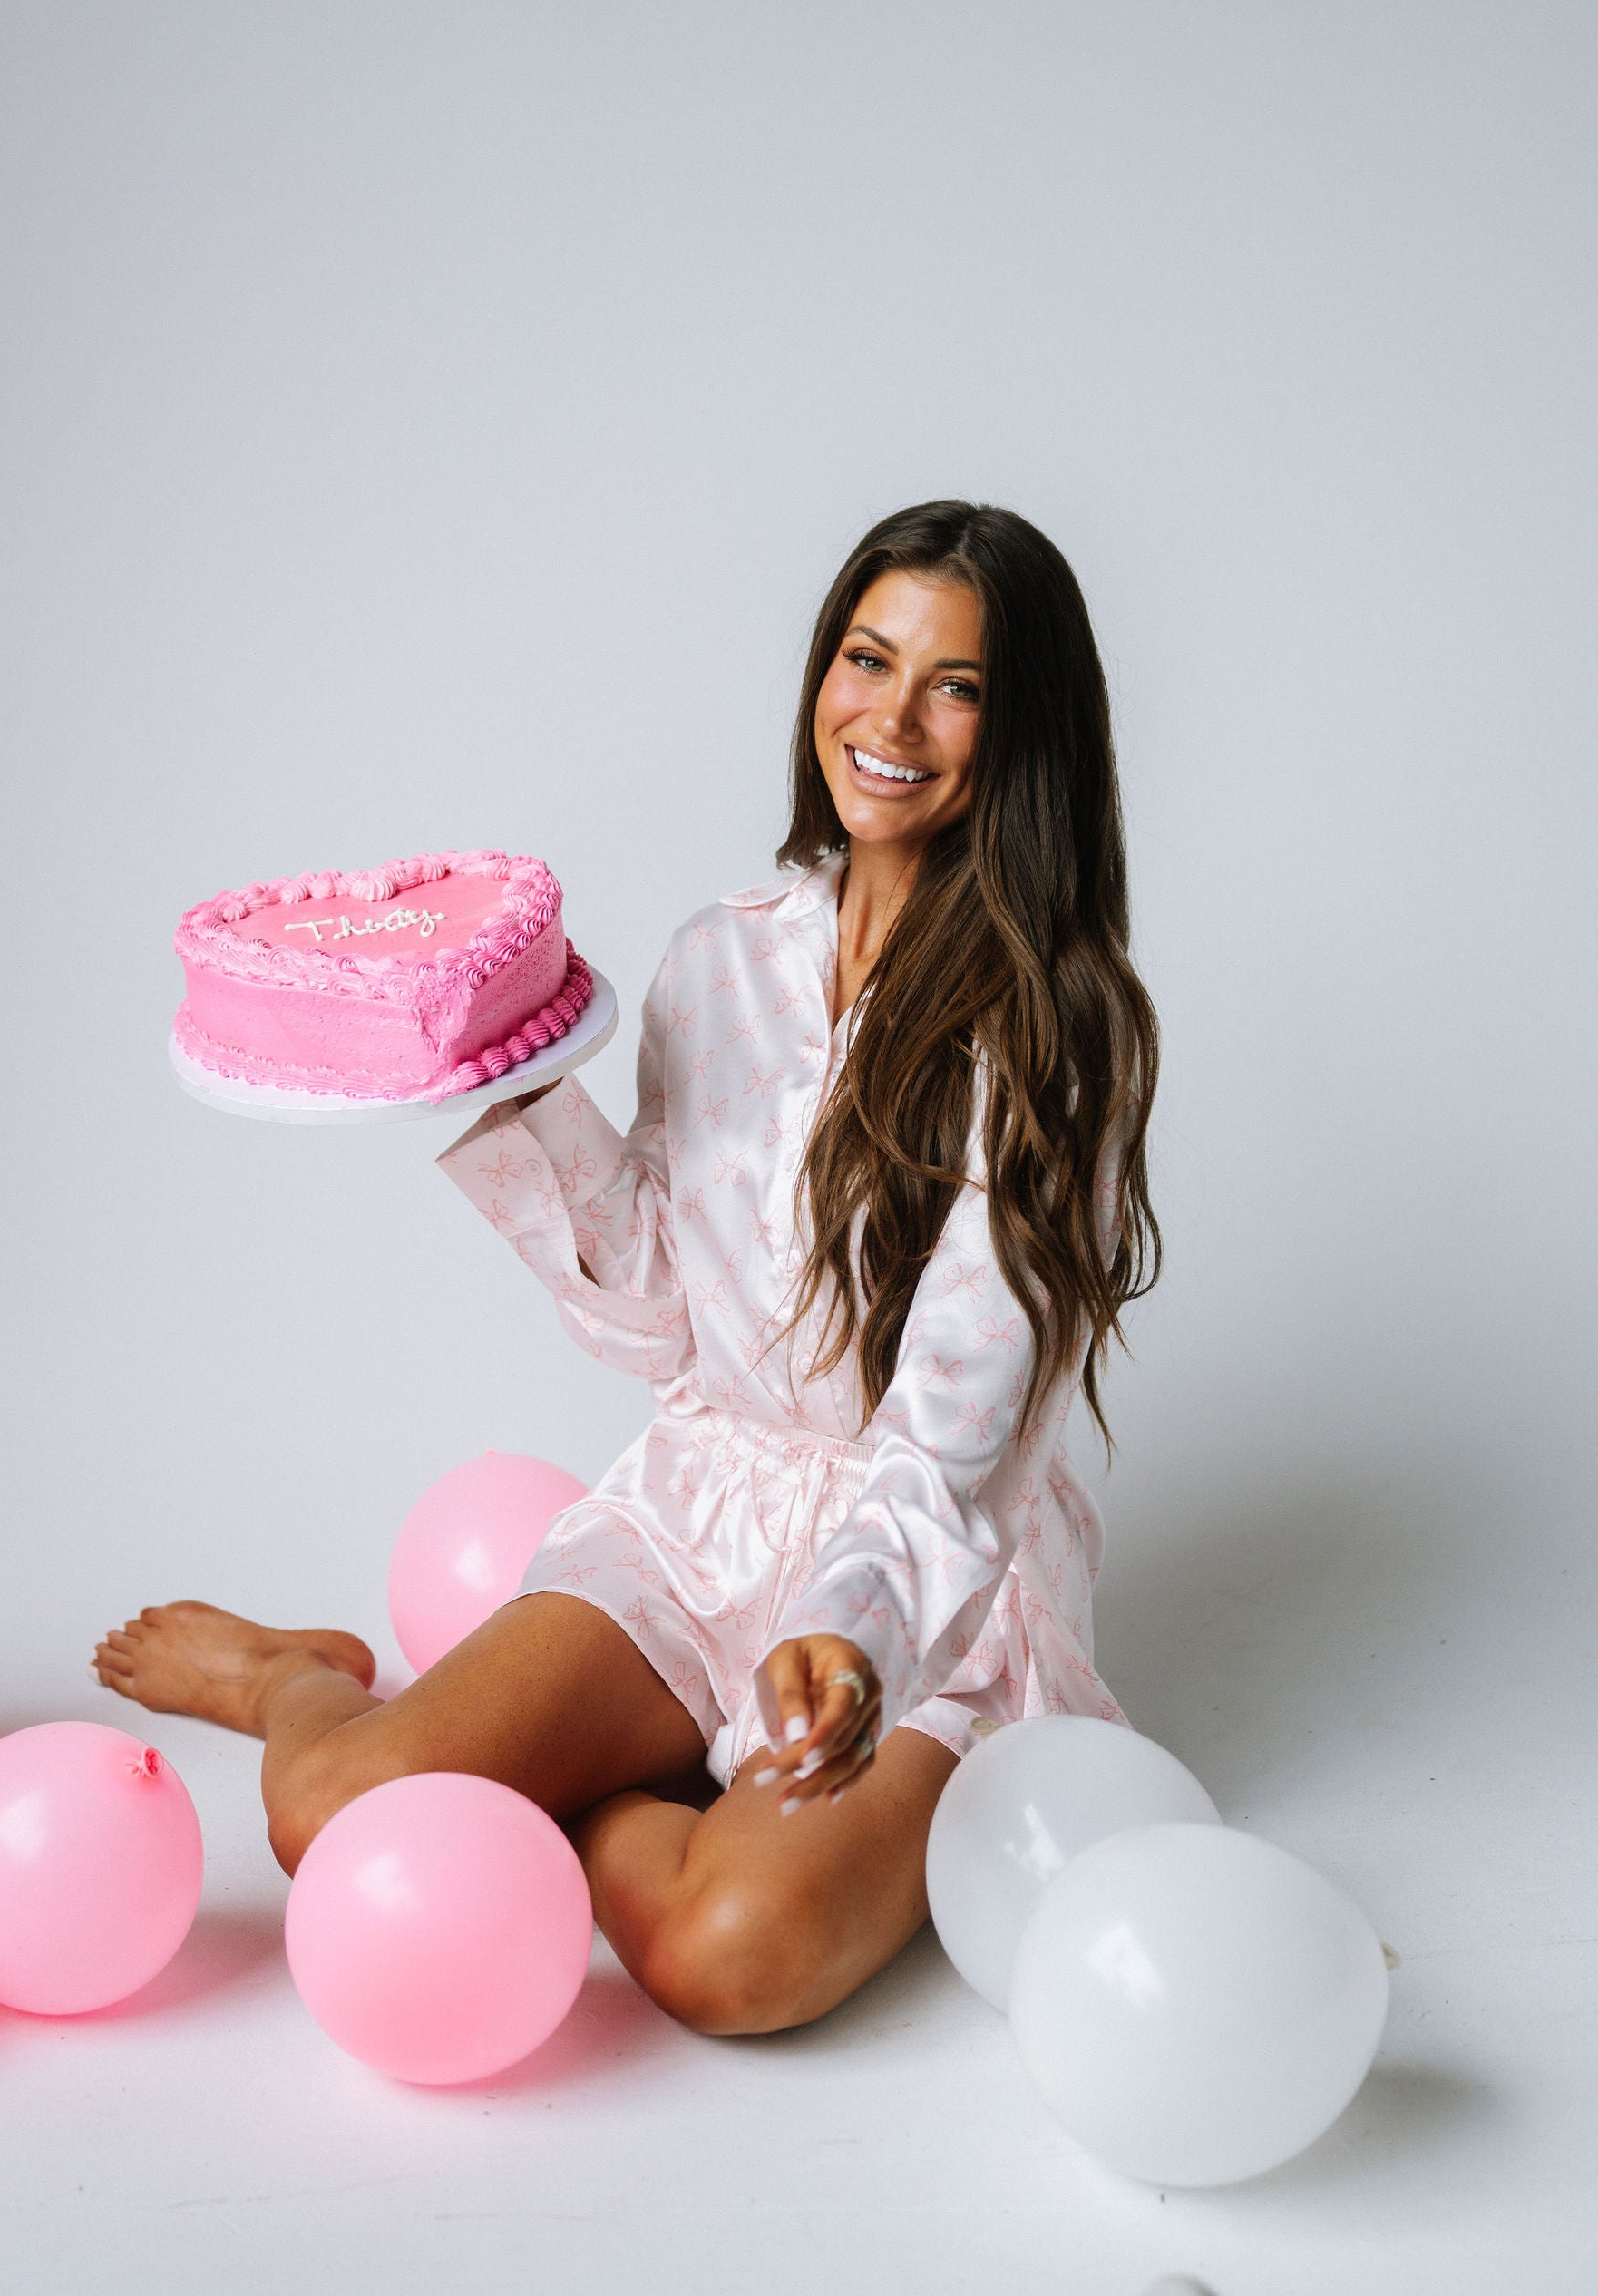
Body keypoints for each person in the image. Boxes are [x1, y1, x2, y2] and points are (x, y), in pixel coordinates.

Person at [95, 500, 1161, 2038]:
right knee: (333, 1805)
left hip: (930, 1569)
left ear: (1027, 727)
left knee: (736, 1957)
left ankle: (608, 1780)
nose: (895, 717)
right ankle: (289, 1674)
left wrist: (854, 1636)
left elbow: (961, 1423)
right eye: (869, 658)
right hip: (707, 1513)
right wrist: (503, 1082)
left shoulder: (1066, 1032)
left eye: (960, 685)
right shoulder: (717, 959)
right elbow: (672, 1321)